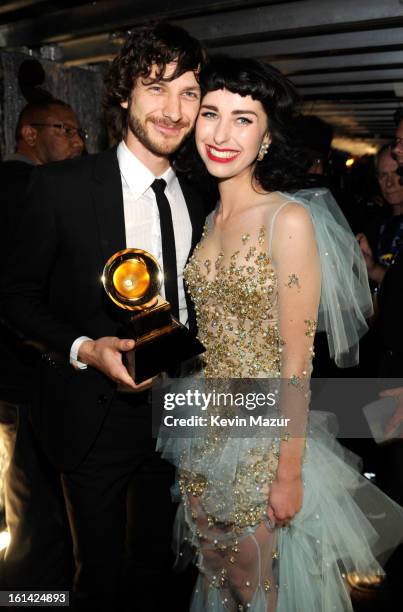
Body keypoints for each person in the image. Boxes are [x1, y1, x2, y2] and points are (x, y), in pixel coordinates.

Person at [157, 56, 403, 611]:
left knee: (256, 587)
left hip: (263, 438)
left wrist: (288, 473)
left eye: (243, 119)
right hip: (200, 427)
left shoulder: (286, 219)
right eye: (211, 114)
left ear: (267, 136)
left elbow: (297, 359)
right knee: (216, 577)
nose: (221, 134)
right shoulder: (207, 218)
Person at [0, 22, 208, 611]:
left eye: (188, 92)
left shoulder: (203, 194)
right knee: (98, 575)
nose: (173, 110)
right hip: (92, 415)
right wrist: (86, 347)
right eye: (156, 88)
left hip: (182, 410)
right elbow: (14, 296)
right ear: (123, 95)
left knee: (164, 566)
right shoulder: (59, 187)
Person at [0, 97, 85, 591]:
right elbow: (20, 291)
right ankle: (35, 596)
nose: (76, 141)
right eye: (65, 130)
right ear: (30, 134)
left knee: (26, 493)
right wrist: (54, 346)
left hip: (20, 369)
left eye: (79, 133)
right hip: (27, 368)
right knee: (34, 498)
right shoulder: (24, 187)